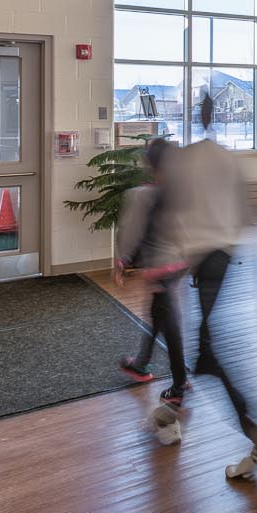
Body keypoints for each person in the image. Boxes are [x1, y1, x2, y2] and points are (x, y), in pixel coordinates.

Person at [169, 92, 257, 481]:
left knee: (206, 353)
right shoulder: (226, 158)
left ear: (193, 115)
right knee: (204, 348)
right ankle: (181, 407)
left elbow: (175, 212)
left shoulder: (184, 160)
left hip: (201, 257)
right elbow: (243, 213)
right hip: (221, 256)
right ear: (213, 115)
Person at [114, 138, 189, 408]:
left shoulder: (144, 195)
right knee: (160, 314)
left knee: (170, 324)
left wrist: (123, 260)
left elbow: (133, 233)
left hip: (160, 268)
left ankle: (179, 384)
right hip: (178, 265)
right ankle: (141, 363)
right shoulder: (180, 193)